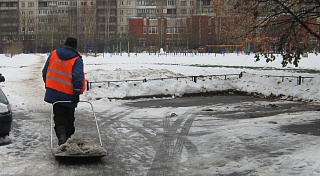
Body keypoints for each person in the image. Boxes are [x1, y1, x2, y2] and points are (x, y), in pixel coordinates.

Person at [42, 37, 86, 145]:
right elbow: (77, 77)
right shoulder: (77, 59)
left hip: (54, 93)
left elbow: (45, 71)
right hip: (69, 94)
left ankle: (62, 137)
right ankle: (67, 136)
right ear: (75, 46)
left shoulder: (54, 53)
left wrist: (49, 85)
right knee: (69, 117)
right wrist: (76, 92)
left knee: (59, 116)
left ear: (65, 44)